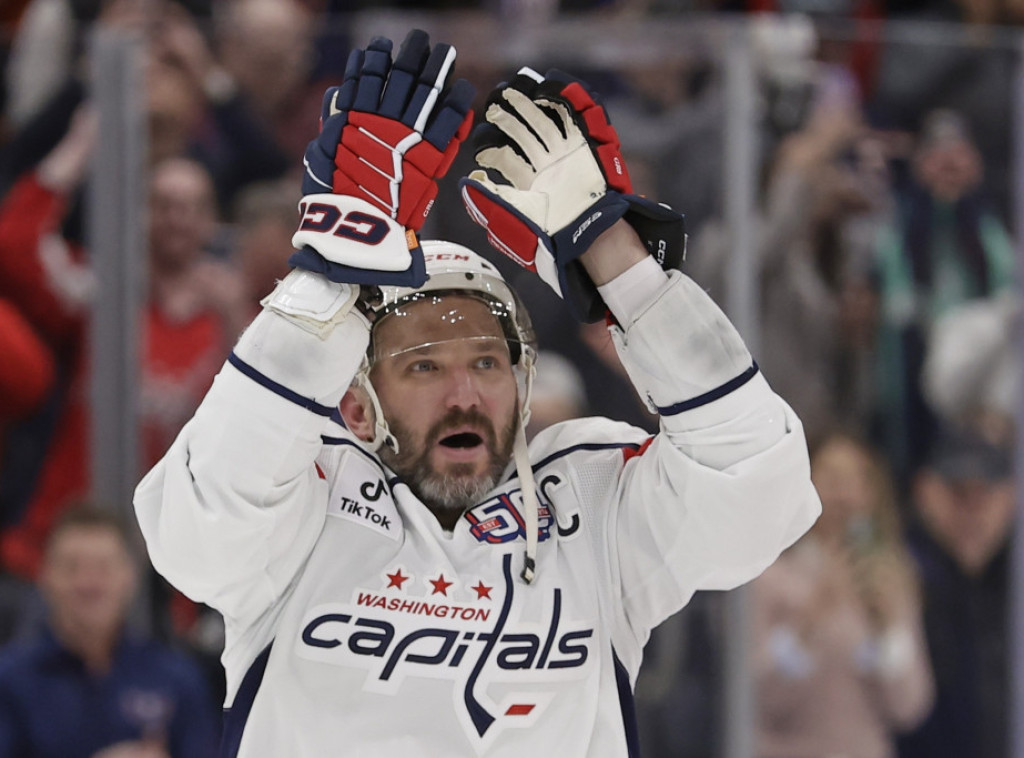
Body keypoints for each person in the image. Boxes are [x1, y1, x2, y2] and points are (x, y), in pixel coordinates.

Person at [134, 30, 821, 756]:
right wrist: (330, 273)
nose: (464, 392)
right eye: (424, 366)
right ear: (358, 405)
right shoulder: (304, 496)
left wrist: (620, 265)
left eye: (489, 363)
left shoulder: (590, 501)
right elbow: (198, 531)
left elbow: (758, 494)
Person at [753, 432, 933, 758]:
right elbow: (754, 698)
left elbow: (909, 708)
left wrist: (888, 630)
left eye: (856, 480)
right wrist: (809, 622)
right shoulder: (767, 575)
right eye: (833, 478)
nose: (844, 495)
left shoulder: (891, 576)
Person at [0, 503, 218, 758]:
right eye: (72, 567)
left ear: (129, 577)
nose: (88, 583)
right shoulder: (10, 680)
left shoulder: (176, 677)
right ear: (45, 576)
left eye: (103, 568)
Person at [897, 422, 1015, 758]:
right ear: (923, 491)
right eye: (958, 492)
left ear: (1013, 496)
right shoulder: (901, 577)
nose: (972, 511)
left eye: (986, 493)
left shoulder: (1012, 586)